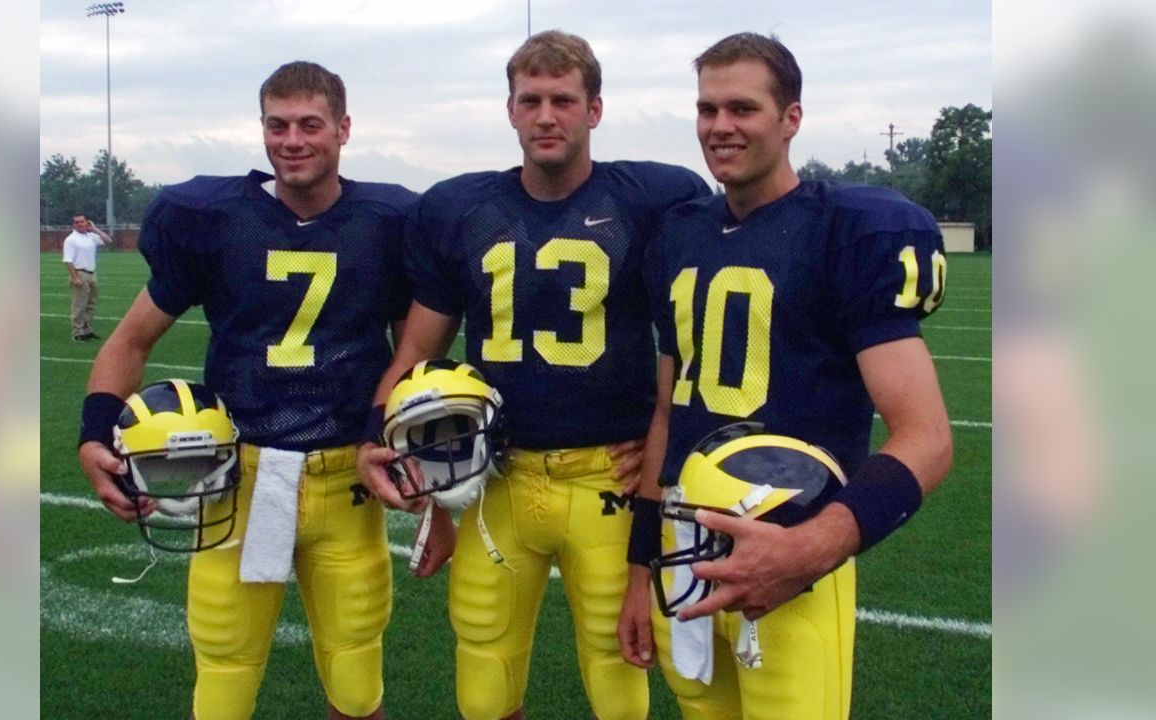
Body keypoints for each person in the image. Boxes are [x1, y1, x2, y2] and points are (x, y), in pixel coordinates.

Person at [357, 30, 710, 720]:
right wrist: (379, 433)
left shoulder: (656, 198)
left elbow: (693, 343)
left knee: (617, 682)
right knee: (484, 680)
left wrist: (670, 444)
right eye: (531, 100)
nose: (547, 115)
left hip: (606, 474)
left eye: (563, 99)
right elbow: (416, 354)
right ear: (511, 111)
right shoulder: (461, 209)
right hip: (498, 477)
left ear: (594, 109)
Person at [616, 32, 954, 720]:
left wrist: (808, 549)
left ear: (790, 118)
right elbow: (667, 410)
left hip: (793, 541)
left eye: (742, 108)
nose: (720, 127)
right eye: (707, 109)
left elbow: (928, 438)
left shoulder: (846, 229)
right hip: (686, 547)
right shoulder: (678, 236)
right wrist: (638, 566)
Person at [75, 61, 416, 720]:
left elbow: (412, 353)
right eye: (277, 124)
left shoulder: (389, 220)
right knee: (224, 682)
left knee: (356, 684)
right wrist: (93, 432)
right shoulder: (216, 217)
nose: (292, 140)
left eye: (309, 124)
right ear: (261, 129)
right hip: (242, 475)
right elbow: (130, 341)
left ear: (343, 129)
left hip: (347, 475)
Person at [62, 213, 113, 341]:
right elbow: (68, 260)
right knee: (79, 304)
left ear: (87, 222)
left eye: (82, 221)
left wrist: (94, 229)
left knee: (91, 304)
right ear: (73, 225)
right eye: (76, 222)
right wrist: (74, 277)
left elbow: (108, 241)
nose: (79, 224)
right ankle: (77, 332)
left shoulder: (91, 236)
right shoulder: (71, 239)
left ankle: (86, 329)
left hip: (92, 273)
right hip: (80, 273)